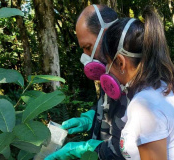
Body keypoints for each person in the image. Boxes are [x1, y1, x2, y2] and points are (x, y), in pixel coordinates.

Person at [100, 6, 174, 160]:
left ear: (120, 62)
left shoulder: (144, 106)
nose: (106, 69)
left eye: (107, 62)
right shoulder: (165, 90)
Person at [45, 4, 129, 160]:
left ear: (107, 35)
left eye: (88, 47)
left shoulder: (134, 79)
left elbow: (128, 149)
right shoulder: (109, 73)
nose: (86, 57)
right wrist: (89, 118)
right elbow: (107, 105)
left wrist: (86, 149)